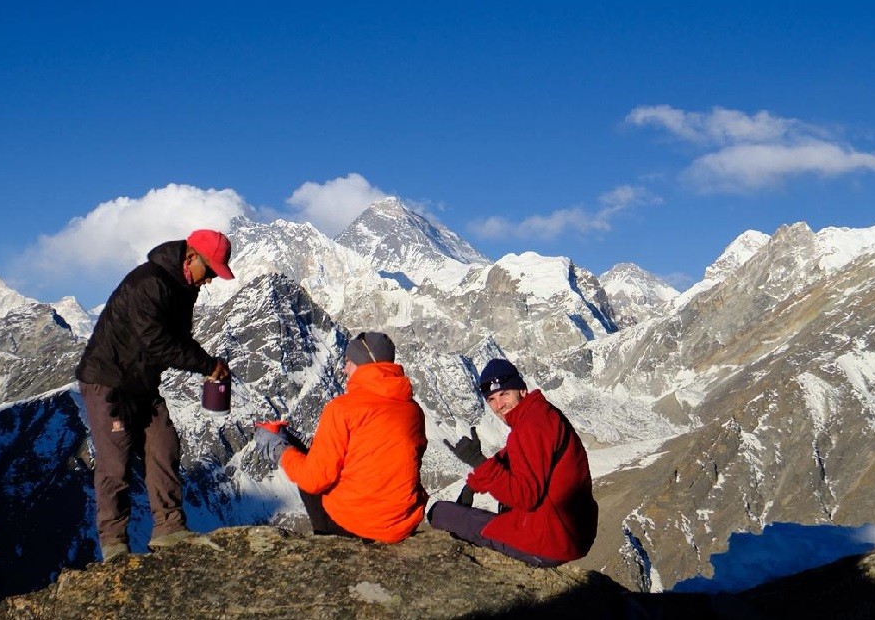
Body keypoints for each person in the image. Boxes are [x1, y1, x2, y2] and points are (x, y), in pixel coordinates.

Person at [76, 229, 234, 562]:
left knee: (163, 444)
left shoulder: (184, 287)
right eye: (211, 271)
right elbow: (157, 342)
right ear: (190, 257)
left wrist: (210, 365)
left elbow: (179, 339)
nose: (211, 282)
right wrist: (205, 364)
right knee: (115, 463)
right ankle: (115, 544)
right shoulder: (149, 282)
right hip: (109, 382)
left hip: (141, 383)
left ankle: (169, 528)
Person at [253, 331, 427, 543]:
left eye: (349, 362)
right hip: (400, 525)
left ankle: (328, 542)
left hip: (357, 527)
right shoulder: (413, 411)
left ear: (364, 364)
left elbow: (313, 480)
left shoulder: (342, 409)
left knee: (309, 475)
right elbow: (375, 449)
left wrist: (278, 447)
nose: (344, 369)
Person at [428, 358, 597, 567]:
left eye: (504, 394)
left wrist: (479, 462)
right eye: (491, 399)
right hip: (568, 531)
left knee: (440, 513)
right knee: (496, 511)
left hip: (551, 540)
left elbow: (525, 497)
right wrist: (474, 483)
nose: (499, 405)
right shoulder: (539, 414)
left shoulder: (529, 427)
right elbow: (512, 456)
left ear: (522, 390)